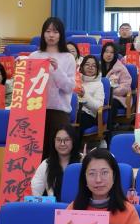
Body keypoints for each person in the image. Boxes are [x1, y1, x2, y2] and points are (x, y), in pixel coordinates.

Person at [50, 150, 140, 224]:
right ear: (85, 178)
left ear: (114, 176)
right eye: (92, 174)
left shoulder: (127, 211)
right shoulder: (74, 208)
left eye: (104, 173)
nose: (98, 180)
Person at [29, 17, 77, 157]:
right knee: (36, 153)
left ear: (61, 35)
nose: (51, 35)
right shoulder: (34, 56)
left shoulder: (68, 57)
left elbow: (69, 87)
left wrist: (57, 70)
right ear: (43, 33)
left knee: (56, 154)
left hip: (58, 112)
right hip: (35, 110)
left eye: (55, 32)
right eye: (48, 31)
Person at [31, 126, 83, 198]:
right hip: (54, 204)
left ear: (73, 141)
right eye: (58, 140)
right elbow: (35, 188)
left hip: (78, 204)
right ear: (54, 141)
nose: (62, 144)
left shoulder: (82, 160)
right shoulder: (46, 164)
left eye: (67, 140)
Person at [100, 43, 132, 128]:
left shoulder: (121, 68)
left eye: (112, 52)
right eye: (106, 52)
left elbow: (126, 86)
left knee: (111, 102)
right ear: (102, 53)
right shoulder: (98, 67)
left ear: (115, 55)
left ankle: (108, 129)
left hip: (117, 97)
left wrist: (111, 92)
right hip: (100, 96)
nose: (109, 55)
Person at [75, 55, 105, 137]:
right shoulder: (76, 80)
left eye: (94, 66)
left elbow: (98, 106)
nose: (90, 67)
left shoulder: (99, 84)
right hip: (73, 112)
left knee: (78, 123)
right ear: (82, 67)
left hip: (88, 115)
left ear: (97, 69)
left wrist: (84, 95)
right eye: (87, 64)